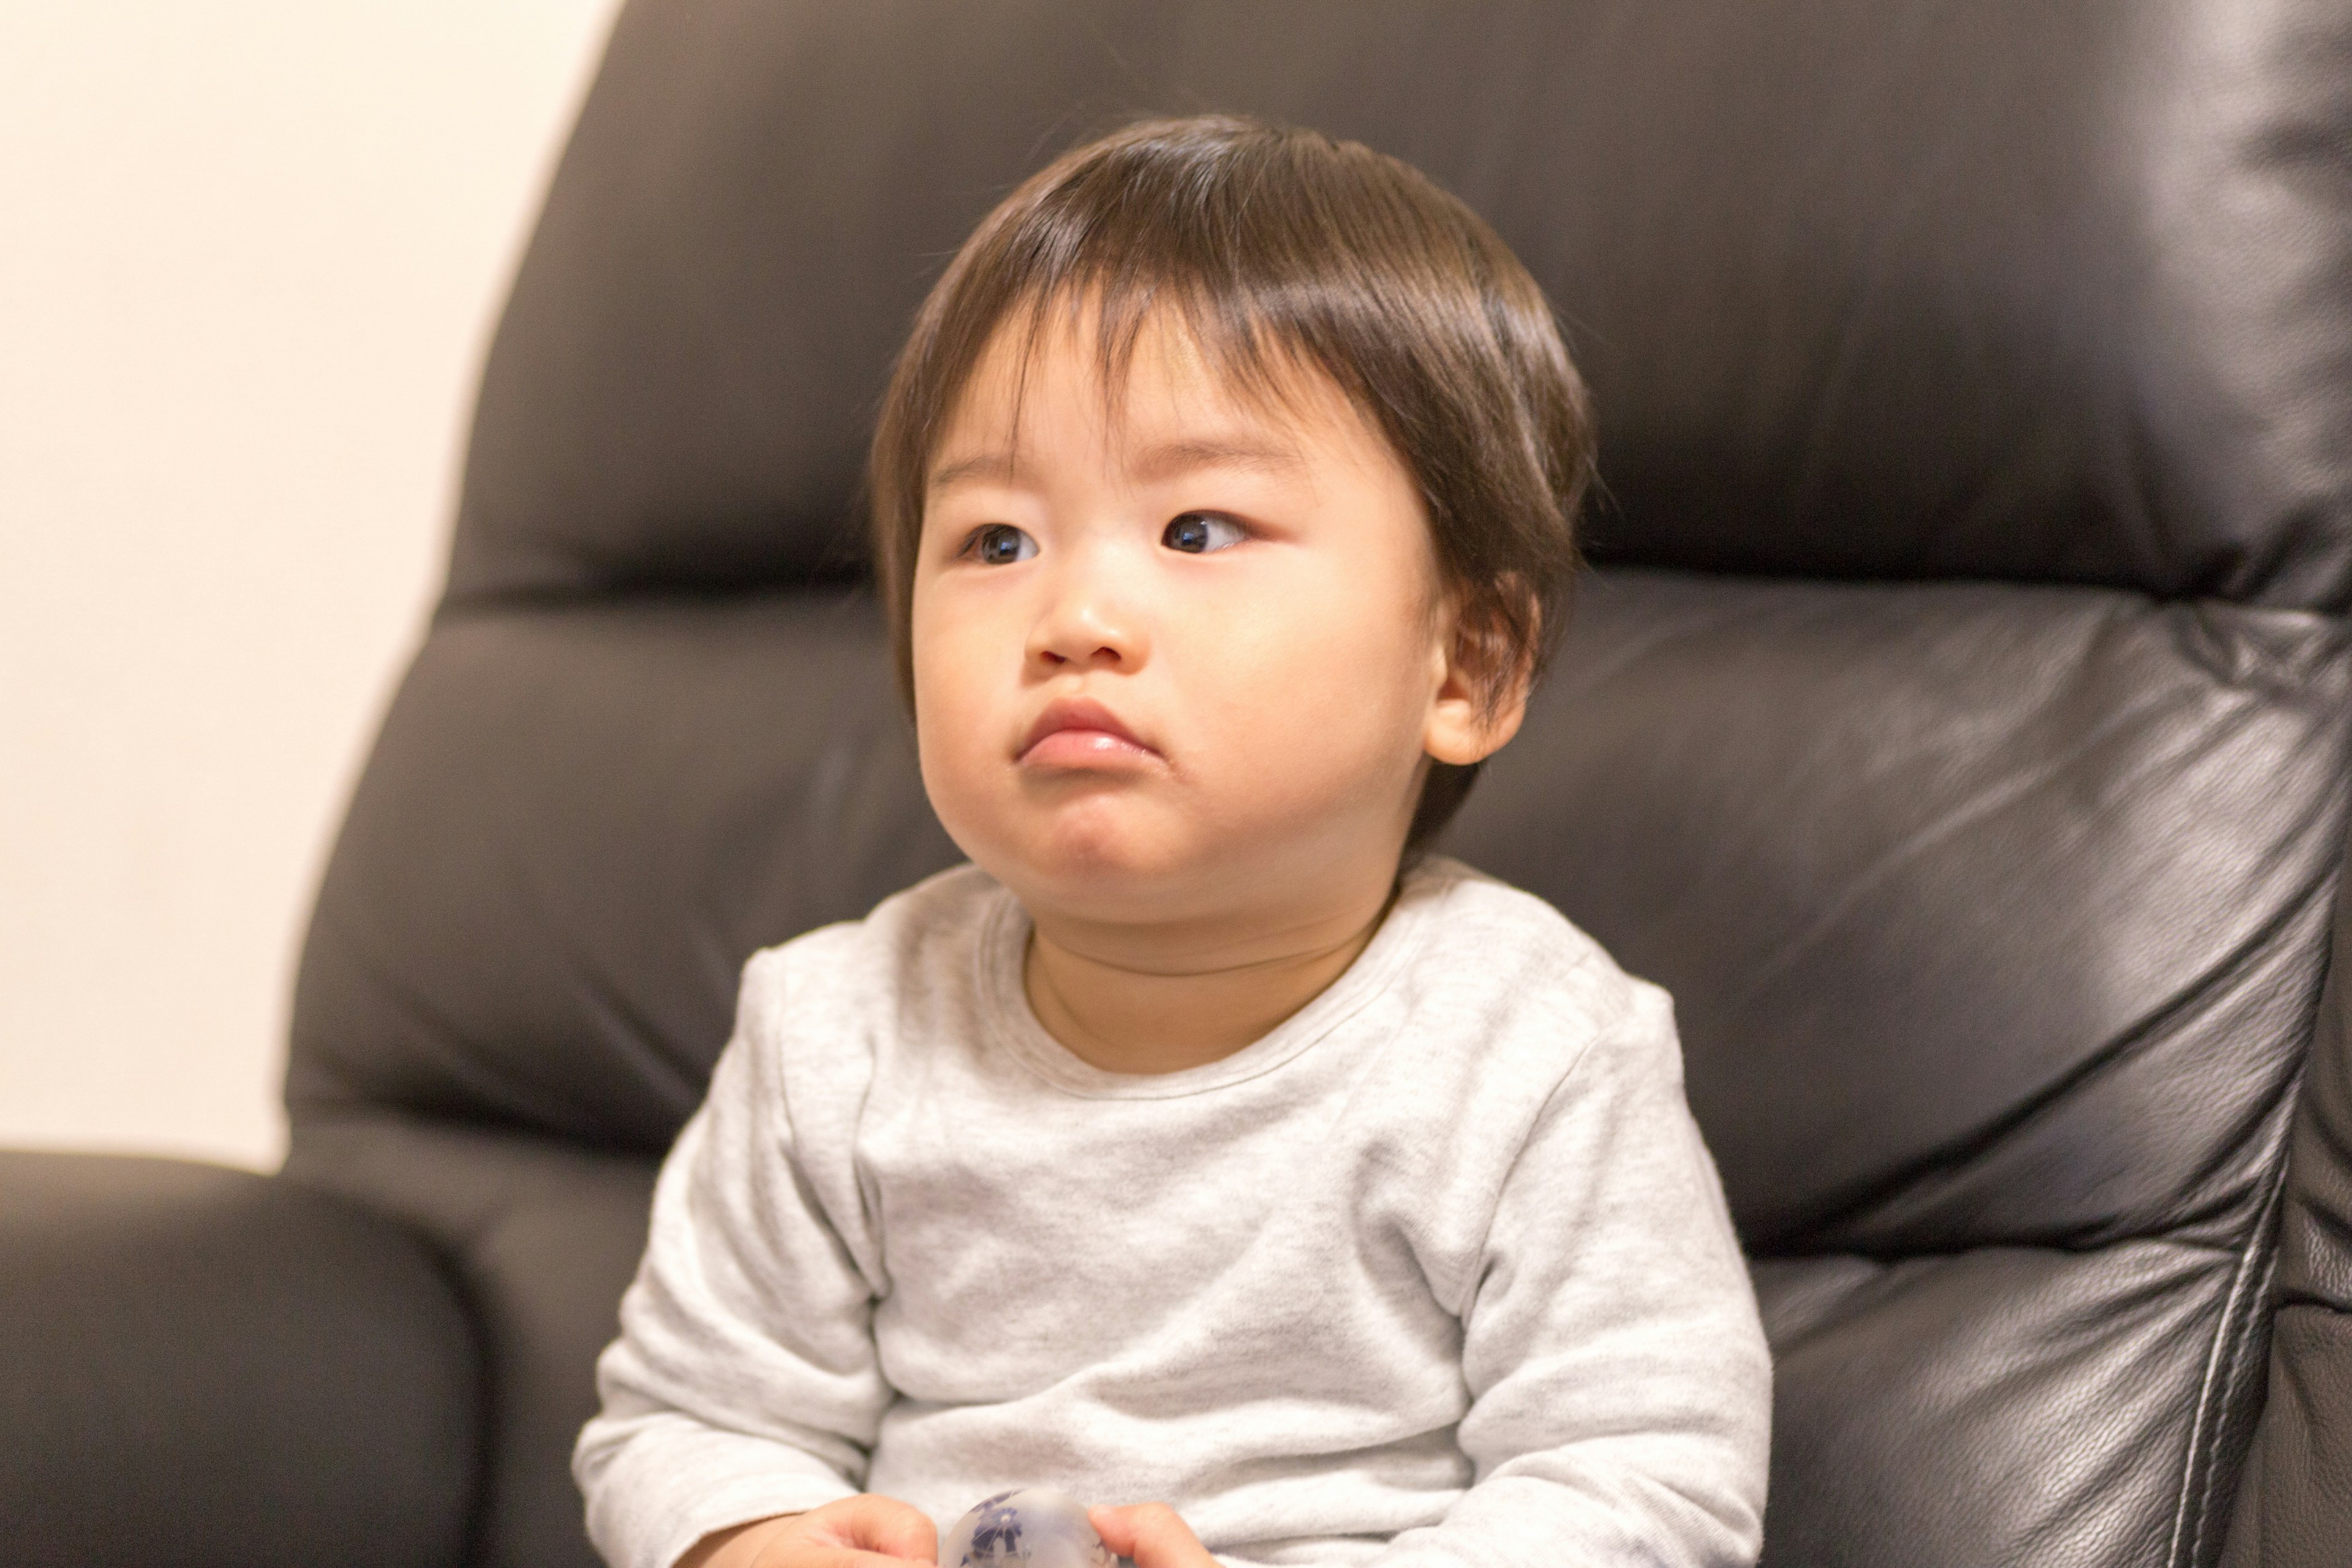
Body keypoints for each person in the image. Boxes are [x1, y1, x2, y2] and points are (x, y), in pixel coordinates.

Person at [574, 114, 1771, 1568]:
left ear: (1467, 665)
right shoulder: (836, 1029)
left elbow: (1647, 1486)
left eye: (1199, 529)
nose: (1074, 617)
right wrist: (750, 1534)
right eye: (996, 541)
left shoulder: (1535, 1053)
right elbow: (682, 1417)